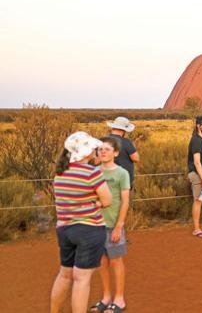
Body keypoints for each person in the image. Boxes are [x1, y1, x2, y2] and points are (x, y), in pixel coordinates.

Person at [50, 132, 113, 313]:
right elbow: (107, 201)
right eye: (93, 148)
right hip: (89, 230)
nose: (96, 150)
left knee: (65, 274)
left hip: (64, 230)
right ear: (85, 152)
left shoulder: (60, 173)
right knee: (82, 279)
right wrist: (96, 203)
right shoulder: (92, 173)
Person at [90, 137, 130, 313]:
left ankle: (119, 299)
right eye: (100, 149)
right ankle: (106, 297)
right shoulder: (94, 172)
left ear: (116, 153)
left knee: (116, 261)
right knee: (101, 262)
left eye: (107, 149)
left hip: (113, 225)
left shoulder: (121, 173)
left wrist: (119, 226)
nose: (102, 151)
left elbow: (125, 201)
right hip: (96, 224)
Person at [105, 117, 139, 191]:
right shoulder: (126, 142)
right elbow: (136, 158)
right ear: (123, 130)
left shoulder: (103, 140)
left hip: (106, 180)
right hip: (124, 181)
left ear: (113, 128)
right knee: (124, 201)